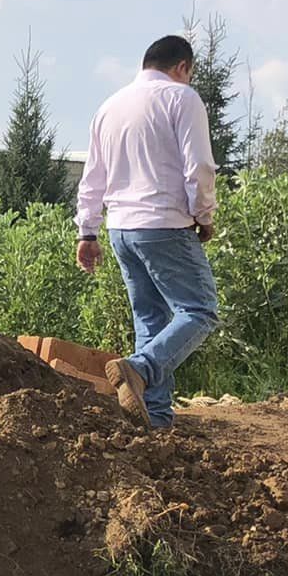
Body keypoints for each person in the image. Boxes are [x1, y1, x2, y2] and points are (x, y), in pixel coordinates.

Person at [74, 35, 220, 428]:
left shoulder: (110, 107)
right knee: (200, 310)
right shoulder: (181, 98)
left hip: (122, 229)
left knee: (151, 321)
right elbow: (199, 168)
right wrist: (204, 216)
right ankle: (140, 367)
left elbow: (92, 179)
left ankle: (154, 416)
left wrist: (87, 232)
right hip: (163, 224)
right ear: (182, 67)